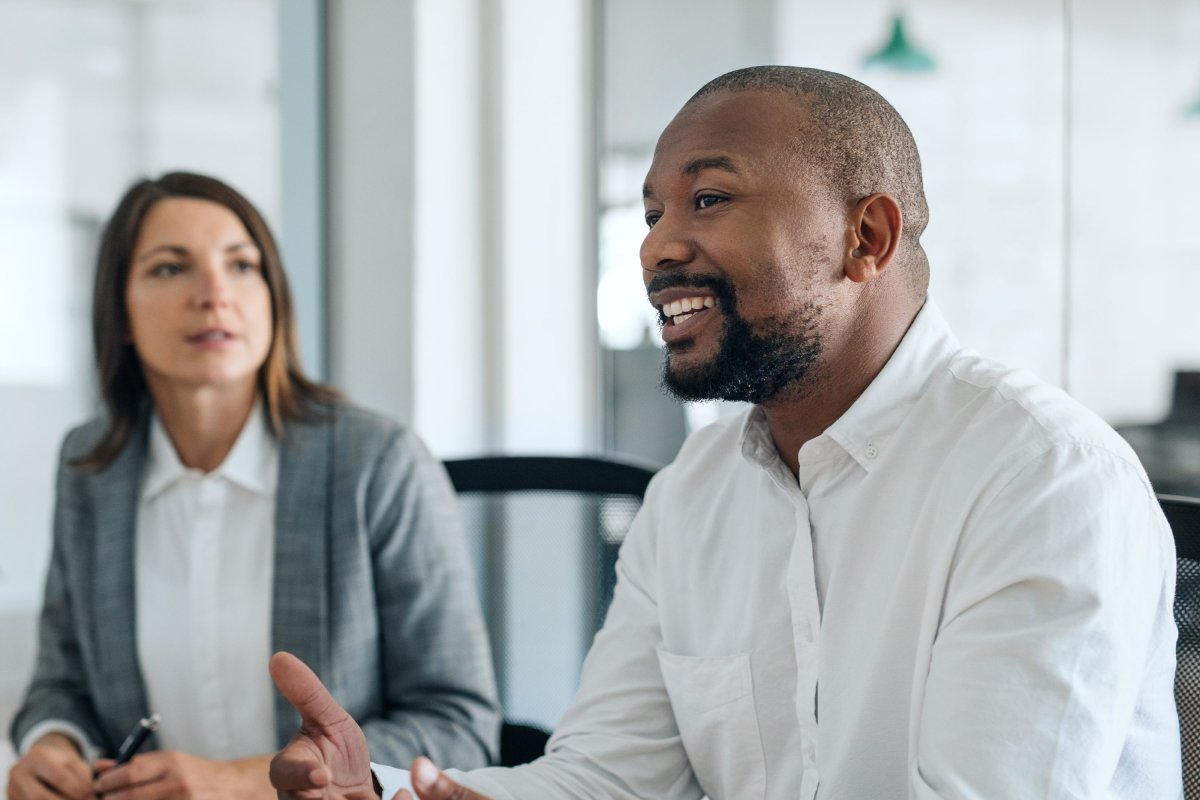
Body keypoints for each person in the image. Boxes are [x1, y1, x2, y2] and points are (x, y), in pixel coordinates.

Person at [267, 66, 1181, 799]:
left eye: (709, 199)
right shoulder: (694, 490)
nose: (656, 247)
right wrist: (391, 792)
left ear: (867, 236)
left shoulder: (1043, 477)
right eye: (654, 210)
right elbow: (611, 777)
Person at [7, 172, 500, 800]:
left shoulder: (378, 462)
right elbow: (61, 682)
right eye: (170, 268)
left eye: (242, 266)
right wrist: (55, 745)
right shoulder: (90, 466)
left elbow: (460, 722)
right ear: (120, 312)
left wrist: (238, 783)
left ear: (273, 297)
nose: (215, 293)